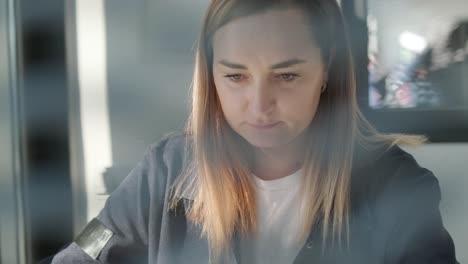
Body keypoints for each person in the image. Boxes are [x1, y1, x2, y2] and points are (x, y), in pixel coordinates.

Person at [50, 0, 459, 263]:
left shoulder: (396, 185)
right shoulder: (165, 170)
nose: (259, 105)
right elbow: (81, 255)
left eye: (286, 75)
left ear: (326, 72)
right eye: (235, 76)